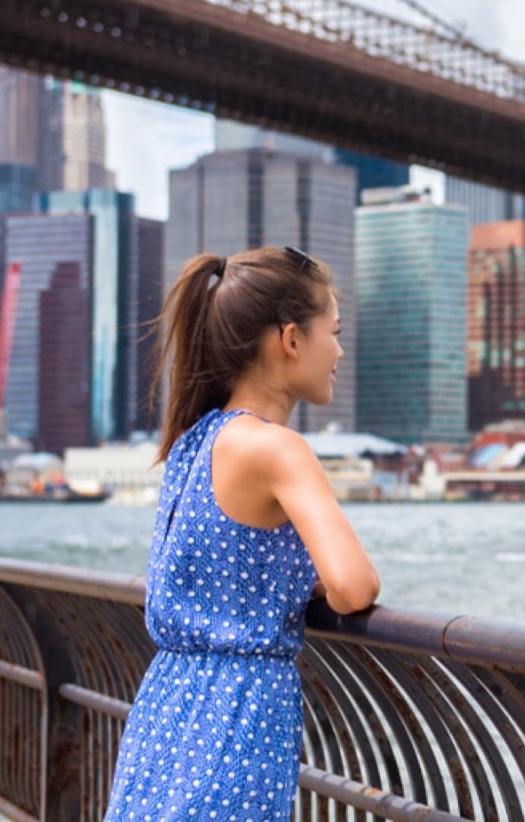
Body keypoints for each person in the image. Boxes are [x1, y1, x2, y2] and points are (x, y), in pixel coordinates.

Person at [106, 246, 381, 819]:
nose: (341, 350)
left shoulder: (194, 441)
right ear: (290, 339)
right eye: (333, 331)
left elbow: (224, 563)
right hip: (238, 719)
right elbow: (354, 588)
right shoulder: (276, 448)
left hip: (166, 711)